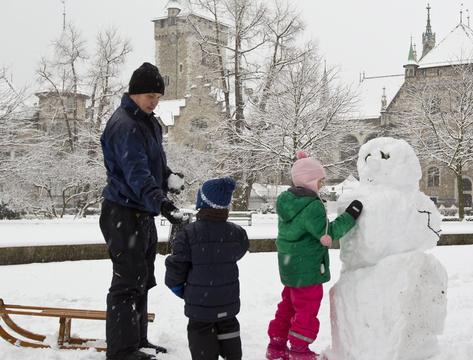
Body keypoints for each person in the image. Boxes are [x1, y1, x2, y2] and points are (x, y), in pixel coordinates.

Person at [99, 62, 186, 360]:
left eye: (158, 97)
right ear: (135, 93)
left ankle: (138, 341)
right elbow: (136, 175)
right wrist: (162, 203)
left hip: (140, 213)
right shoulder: (125, 125)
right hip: (123, 212)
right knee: (126, 284)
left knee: (142, 279)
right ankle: (122, 351)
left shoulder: (147, 121)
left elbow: (153, 166)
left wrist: (168, 177)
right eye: (150, 95)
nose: (155, 101)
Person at [266, 152, 364, 360]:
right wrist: (351, 215)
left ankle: (276, 345)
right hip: (307, 266)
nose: (322, 184)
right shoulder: (311, 206)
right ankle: (299, 350)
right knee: (307, 308)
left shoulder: (288, 200)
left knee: (288, 304)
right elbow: (328, 233)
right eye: (320, 180)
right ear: (310, 180)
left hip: (289, 264)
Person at [165, 177, 249, 360]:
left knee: (201, 336)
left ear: (201, 203)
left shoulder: (188, 233)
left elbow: (176, 268)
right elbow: (240, 251)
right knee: (229, 330)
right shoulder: (237, 233)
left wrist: (180, 289)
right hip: (228, 299)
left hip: (200, 306)